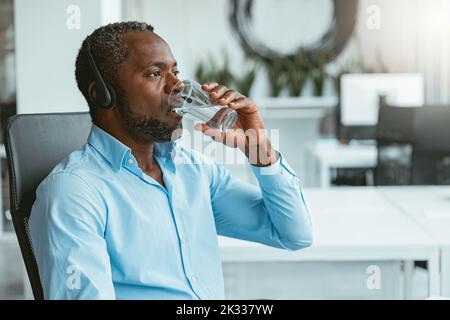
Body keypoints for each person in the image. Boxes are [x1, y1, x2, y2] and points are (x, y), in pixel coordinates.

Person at [29, 21, 313, 300]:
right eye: (155, 73)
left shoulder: (193, 170)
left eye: (175, 72)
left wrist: (260, 150)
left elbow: (293, 234)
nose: (177, 86)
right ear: (103, 95)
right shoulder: (74, 192)